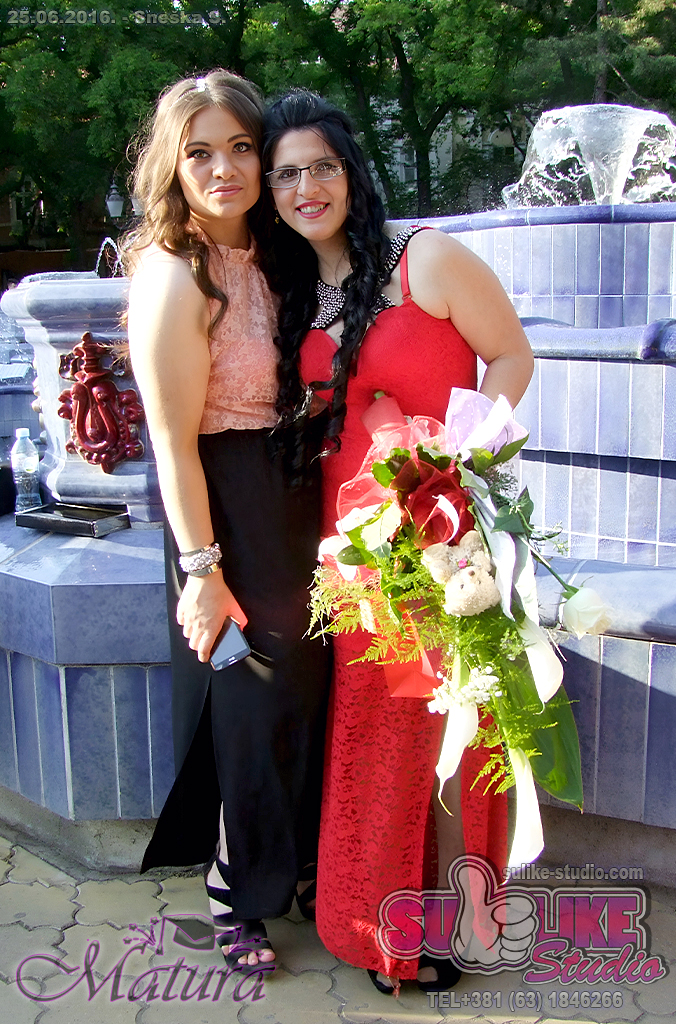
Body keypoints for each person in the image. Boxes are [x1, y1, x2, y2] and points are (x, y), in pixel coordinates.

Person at [262, 90, 534, 993]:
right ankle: (382, 929)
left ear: (351, 171)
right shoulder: (292, 292)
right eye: (286, 174)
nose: (306, 187)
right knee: (378, 742)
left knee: (450, 731)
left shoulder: (429, 259)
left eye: (321, 166)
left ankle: (450, 925)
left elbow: (512, 356)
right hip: (353, 552)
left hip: (444, 533)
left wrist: (458, 458)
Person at [123, 71, 329, 976]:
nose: (224, 169)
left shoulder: (281, 254)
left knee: (307, 690)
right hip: (221, 502)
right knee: (250, 698)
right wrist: (201, 570)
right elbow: (170, 441)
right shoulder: (175, 273)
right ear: (173, 166)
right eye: (199, 152)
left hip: (296, 493)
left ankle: (304, 865)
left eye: (241, 147)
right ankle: (232, 885)